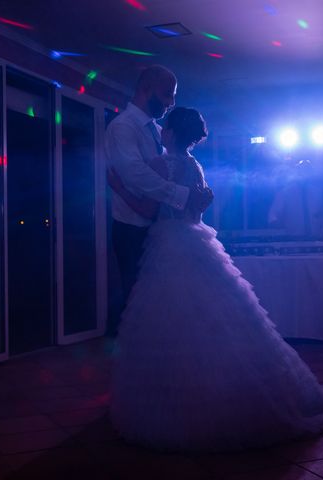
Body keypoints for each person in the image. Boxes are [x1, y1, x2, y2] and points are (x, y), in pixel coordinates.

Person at [108, 107, 323, 452]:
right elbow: (199, 208)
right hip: (196, 240)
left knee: (171, 323)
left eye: (165, 129)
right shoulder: (196, 166)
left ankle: (183, 406)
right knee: (215, 318)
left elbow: (146, 210)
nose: (160, 133)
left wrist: (118, 186)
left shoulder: (164, 164)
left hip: (169, 244)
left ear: (171, 134)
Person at [105, 65, 213, 335]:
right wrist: (184, 196)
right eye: (167, 95)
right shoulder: (122, 127)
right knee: (137, 304)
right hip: (132, 227)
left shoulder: (155, 129)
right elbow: (136, 175)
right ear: (145, 89)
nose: (171, 102)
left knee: (159, 304)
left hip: (157, 228)